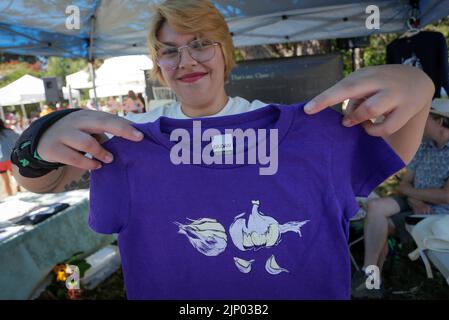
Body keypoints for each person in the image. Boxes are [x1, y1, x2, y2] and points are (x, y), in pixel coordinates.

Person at [11, 0, 434, 298]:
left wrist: (420, 88)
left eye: (200, 44)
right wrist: (38, 141)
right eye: (169, 52)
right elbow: (39, 183)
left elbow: (392, 152)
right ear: (157, 65)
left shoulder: (311, 136)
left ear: (225, 51)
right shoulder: (130, 139)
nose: (186, 61)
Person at [353, 104, 449, 299]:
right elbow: (403, 184)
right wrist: (414, 200)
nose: (420, 123)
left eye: (426, 118)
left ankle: (372, 279)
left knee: (380, 224)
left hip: (438, 213)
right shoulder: (425, 145)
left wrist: (413, 194)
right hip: (415, 202)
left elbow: (446, 197)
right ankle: (370, 275)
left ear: (439, 121)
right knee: (375, 206)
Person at [0, 119, 19, 197]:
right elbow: (18, 138)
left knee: (6, 181)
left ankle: (10, 194)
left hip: (1, 160)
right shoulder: (9, 131)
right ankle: (19, 190)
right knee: (17, 177)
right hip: (12, 157)